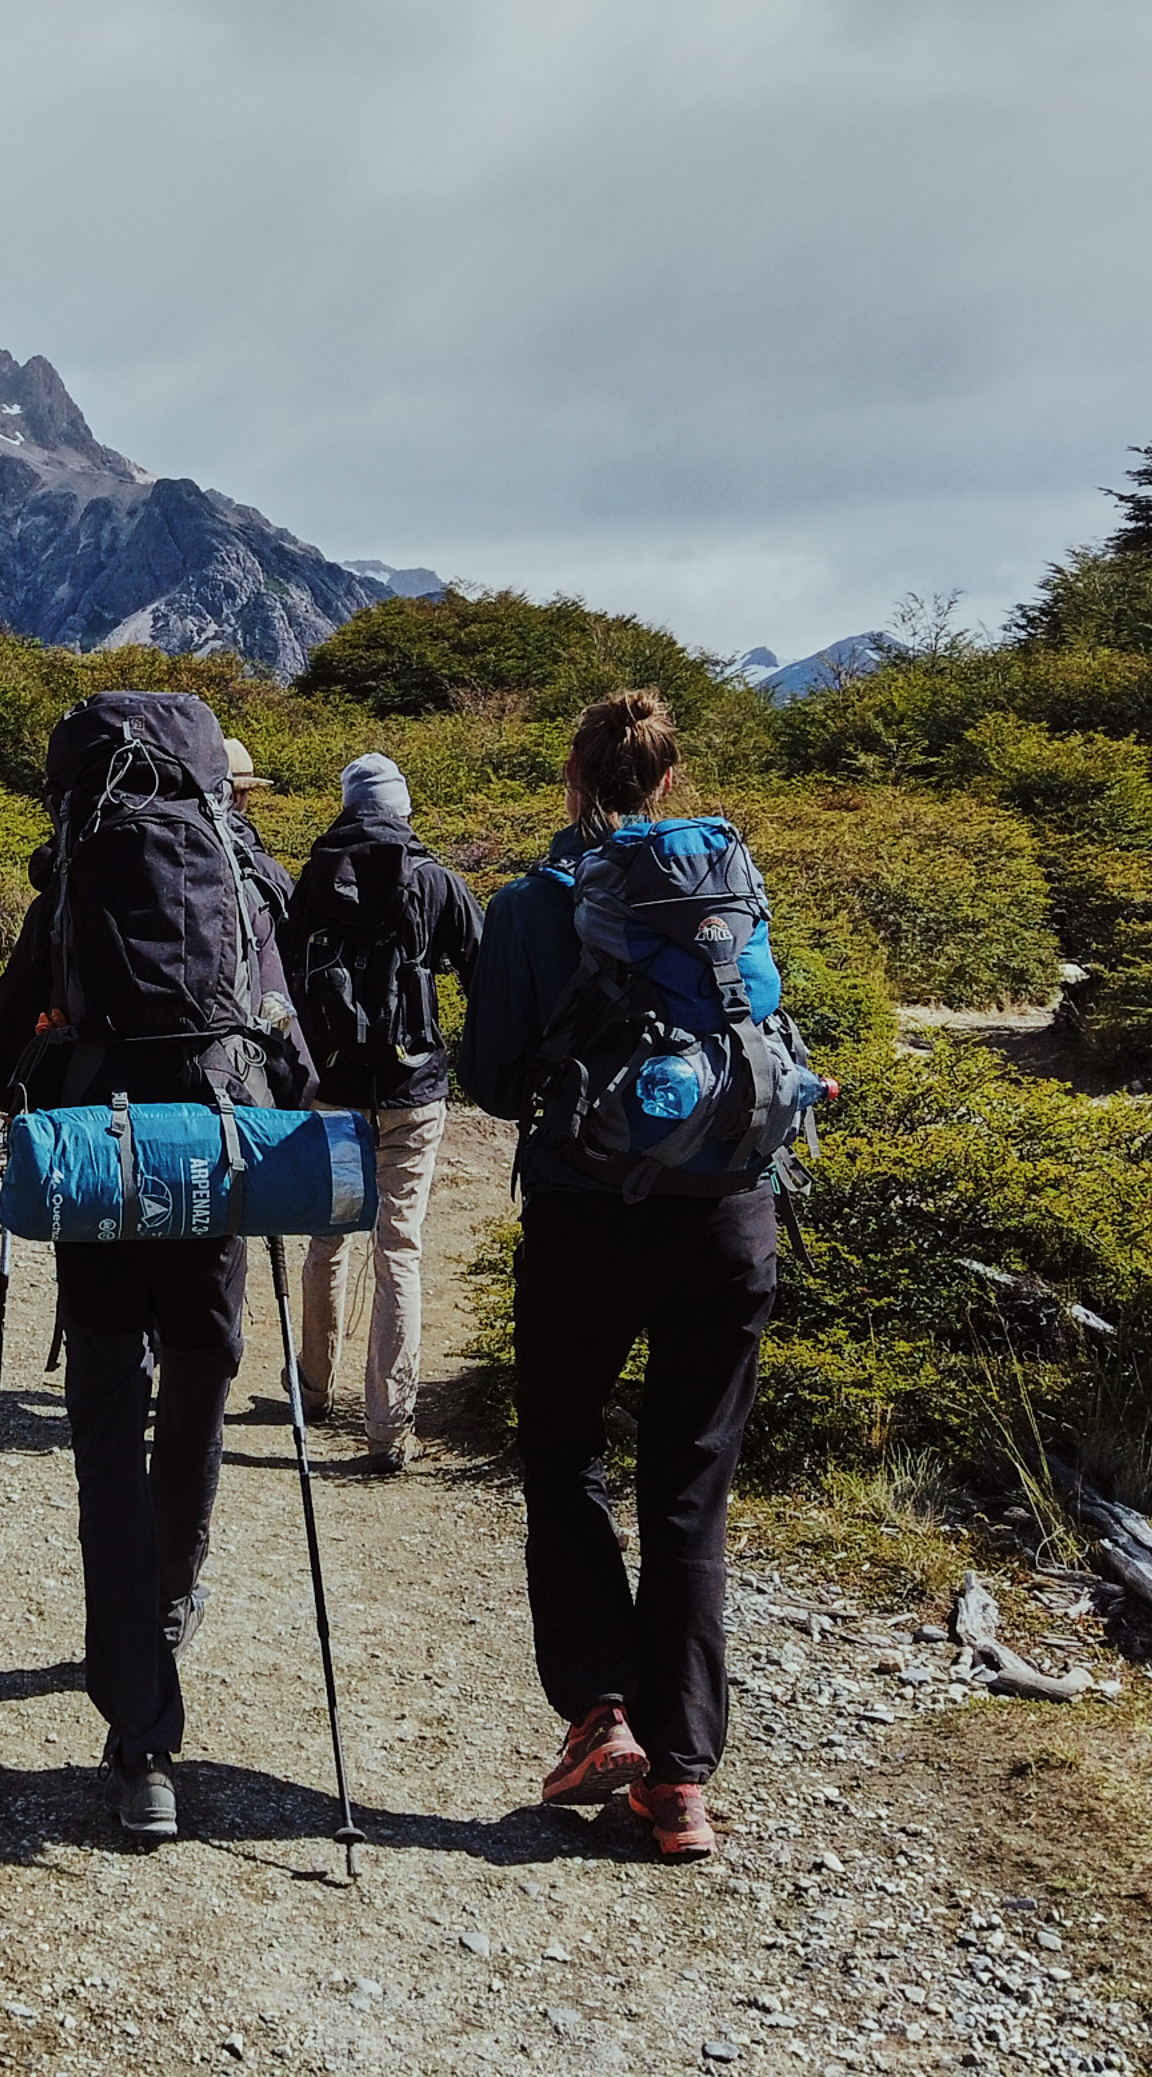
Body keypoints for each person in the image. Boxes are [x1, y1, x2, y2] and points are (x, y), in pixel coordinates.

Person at [0, 692, 309, 1844]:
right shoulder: (243, 880)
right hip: (210, 1184)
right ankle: (173, 1596)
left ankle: (140, 1747)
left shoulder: (72, 883)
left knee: (107, 1443)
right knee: (198, 1408)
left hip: (103, 1188)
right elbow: (296, 1064)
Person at [457, 689, 780, 1864]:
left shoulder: (530, 905)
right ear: (669, 780)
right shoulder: (727, 893)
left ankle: (600, 1711)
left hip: (590, 1218)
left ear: (573, 780)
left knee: (559, 1449)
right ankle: (682, 1784)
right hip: (733, 1217)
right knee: (690, 1486)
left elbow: (491, 1080)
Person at [282, 751, 480, 1473]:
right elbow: (485, 969)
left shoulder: (313, 876)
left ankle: (311, 1387)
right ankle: (389, 1428)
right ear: (403, 806)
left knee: (327, 1239)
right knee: (399, 1248)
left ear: (347, 802)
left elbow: (287, 979)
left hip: (334, 1093)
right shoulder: (436, 880)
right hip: (413, 1095)